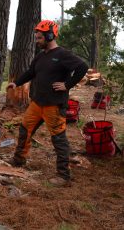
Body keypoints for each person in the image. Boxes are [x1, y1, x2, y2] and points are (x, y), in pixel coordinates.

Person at [7, 20, 88, 186]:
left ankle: (63, 176)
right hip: (37, 103)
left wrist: (67, 85)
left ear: (50, 36)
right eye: (36, 37)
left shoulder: (63, 54)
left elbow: (82, 67)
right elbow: (31, 72)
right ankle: (19, 159)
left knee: (58, 139)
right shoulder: (40, 56)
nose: (37, 40)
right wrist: (17, 83)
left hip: (54, 105)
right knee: (24, 130)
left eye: (39, 38)